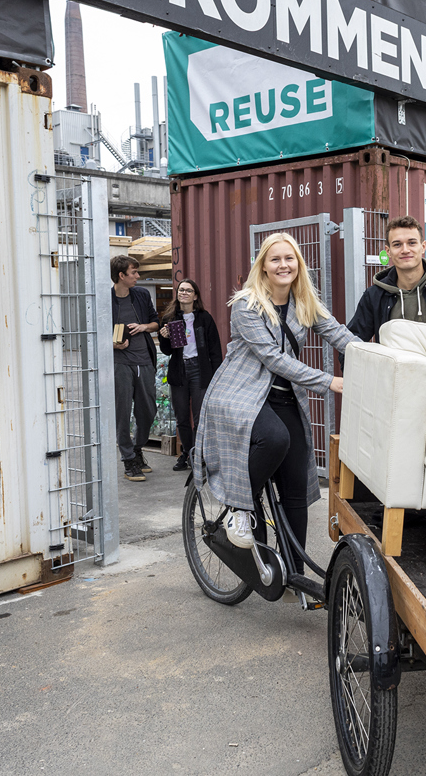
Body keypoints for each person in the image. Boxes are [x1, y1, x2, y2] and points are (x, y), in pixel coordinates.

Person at [193, 233, 356, 568]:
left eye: (290, 258)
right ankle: (239, 507)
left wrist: (382, 357)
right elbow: (274, 359)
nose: (284, 265)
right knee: (275, 438)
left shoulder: (305, 302)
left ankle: (293, 572)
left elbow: (341, 335)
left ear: (298, 264)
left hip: (283, 397)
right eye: (275, 259)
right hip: (242, 393)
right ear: (263, 267)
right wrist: (330, 381)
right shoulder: (246, 305)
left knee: (296, 487)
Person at [158, 279, 223, 471]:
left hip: (200, 370)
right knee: (182, 418)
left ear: (195, 296)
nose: (183, 293)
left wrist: (216, 376)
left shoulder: (204, 318)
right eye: (181, 290)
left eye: (188, 290)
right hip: (179, 371)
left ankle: (197, 454)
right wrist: (164, 337)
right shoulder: (170, 318)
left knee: (200, 415)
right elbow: (168, 351)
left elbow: (215, 350)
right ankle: (187, 452)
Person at [111, 255, 160, 482]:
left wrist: (143, 327)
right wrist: (113, 343)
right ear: (121, 275)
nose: (138, 277)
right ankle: (129, 459)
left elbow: (155, 323)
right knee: (122, 412)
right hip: (120, 363)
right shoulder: (105, 299)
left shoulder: (141, 295)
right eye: (134, 273)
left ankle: (138, 448)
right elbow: (95, 332)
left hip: (145, 360)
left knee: (148, 410)